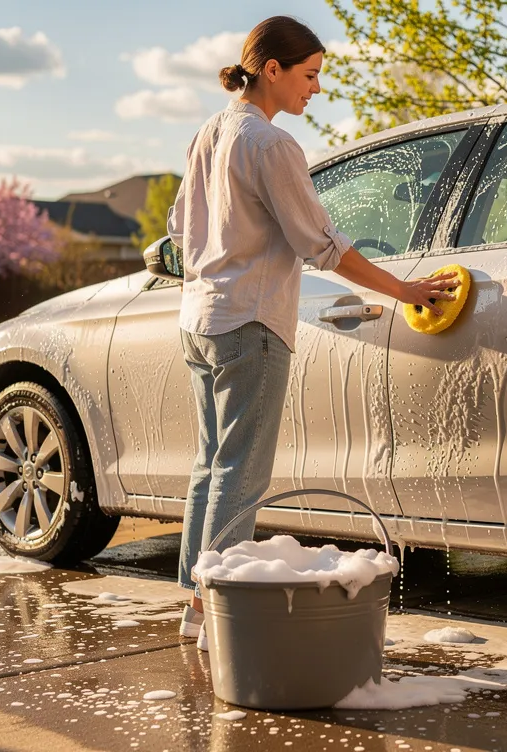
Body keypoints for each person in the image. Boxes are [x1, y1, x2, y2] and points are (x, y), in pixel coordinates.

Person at [166, 16, 456, 645]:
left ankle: (193, 601)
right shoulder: (271, 145)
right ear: (272, 69)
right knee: (239, 475)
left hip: (201, 320)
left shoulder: (209, 134)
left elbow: (179, 229)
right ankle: (210, 610)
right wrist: (404, 289)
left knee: (210, 466)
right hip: (250, 323)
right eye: (310, 74)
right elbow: (321, 245)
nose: (316, 89)